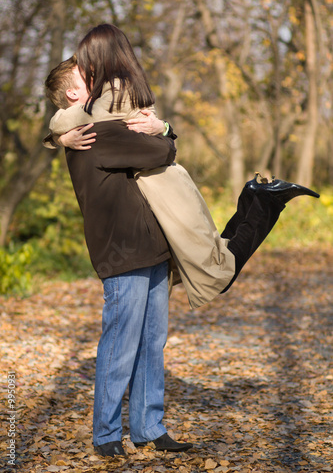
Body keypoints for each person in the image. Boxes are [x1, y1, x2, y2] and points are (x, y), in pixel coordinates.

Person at [43, 24, 320, 458]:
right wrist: (162, 132)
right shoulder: (90, 133)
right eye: (85, 79)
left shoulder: (95, 125)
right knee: (120, 344)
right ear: (74, 96)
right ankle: (106, 434)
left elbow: (155, 144)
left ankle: (150, 427)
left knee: (152, 342)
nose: (95, 82)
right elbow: (162, 152)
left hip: (152, 247)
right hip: (123, 254)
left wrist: (160, 126)